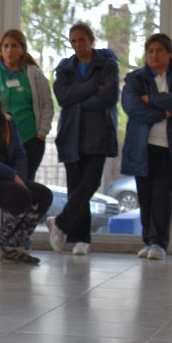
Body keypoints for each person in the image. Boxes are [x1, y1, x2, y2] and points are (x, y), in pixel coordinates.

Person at [48, 22, 120, 256]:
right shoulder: (65, 68)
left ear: (91, 39)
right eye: (74, 41)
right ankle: (81, 239)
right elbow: (62, 97)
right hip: (71, 133)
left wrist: (77, 102)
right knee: (76, 188)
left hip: (98, 133)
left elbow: (108, 97)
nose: (78, 44)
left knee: (89, 185)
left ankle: (59, 222)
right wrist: (92, 88)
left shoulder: (107, 64)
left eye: (82, 39)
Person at [0, 79, 52, 264]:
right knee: (21, 195)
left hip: (7, 176)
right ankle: (6, 241)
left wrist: (18, 175)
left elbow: (19, 152)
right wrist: (12, 175)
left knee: (44, 195)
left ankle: (11, 244)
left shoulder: (7, 121)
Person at [120, 33, 172, 261]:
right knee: (146, 196)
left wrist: (150, 99)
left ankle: (159, 243)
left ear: (169, 53)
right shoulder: (135, 79)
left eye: (159, 50)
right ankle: (148, 241)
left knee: (161, 194)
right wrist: (163, 112)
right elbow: (132, 107)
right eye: (150, 51)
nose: (154, 55)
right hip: (142, 147)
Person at [0, 29, 54, 182]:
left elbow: (47, 104)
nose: (9, 50)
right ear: (0, 49)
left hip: (29, 138)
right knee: (3, 184)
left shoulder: (34, 73)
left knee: (25, 184)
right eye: (5, 46)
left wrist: (41, 133)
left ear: (22, 49)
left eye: (14, 46)